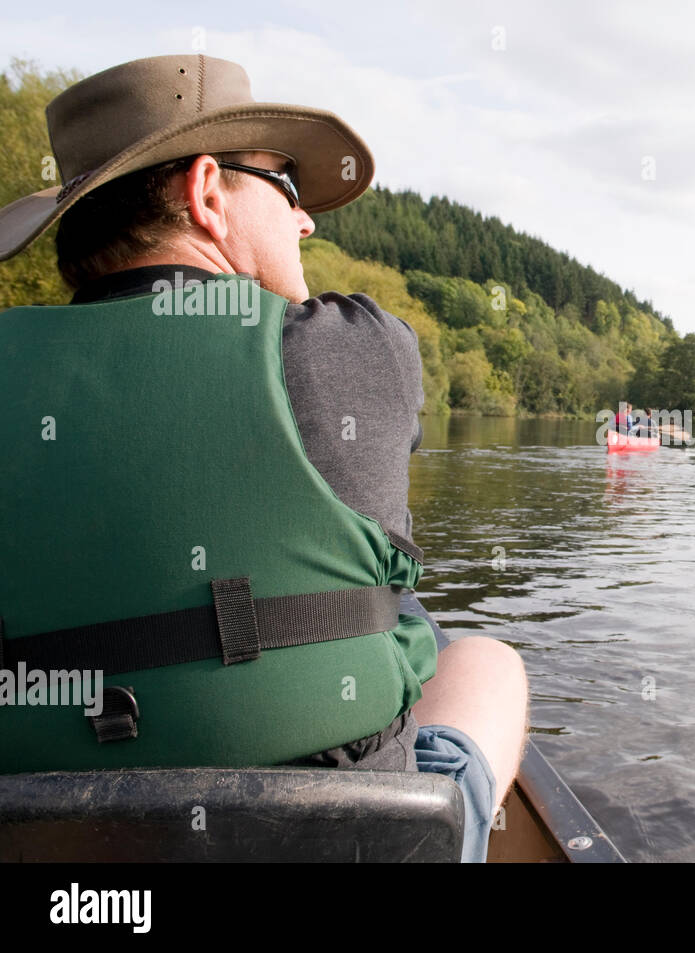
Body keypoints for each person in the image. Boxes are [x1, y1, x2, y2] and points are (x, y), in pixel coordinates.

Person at [0, 55, 526, 863]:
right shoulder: (350, 350)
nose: (306, 219)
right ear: (208, 193)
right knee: (485, 659)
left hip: (75, 874)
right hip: (346, 843)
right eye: (283, 185)